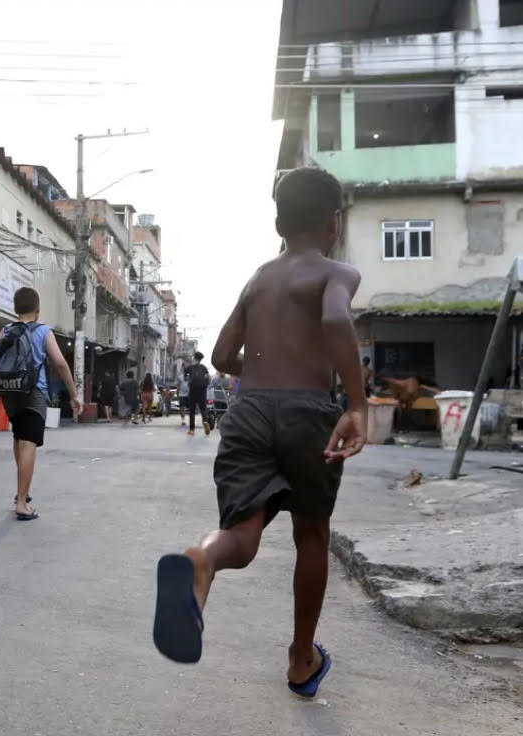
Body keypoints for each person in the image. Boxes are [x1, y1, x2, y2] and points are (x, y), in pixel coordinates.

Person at [150, 167, 367, 700]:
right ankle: (300, 659)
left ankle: (201, 561)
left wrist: (266, 370)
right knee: (311, 533)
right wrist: (358, 403)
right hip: (308, 413)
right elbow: (337, 323)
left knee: (241, 535)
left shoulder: (259, 278)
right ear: (334, 224)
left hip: (248, 412)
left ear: (278, 223)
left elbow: (224, 356)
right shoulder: (336, 272)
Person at [0, 286, 81, 520]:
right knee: (29, 442)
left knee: (19, 438)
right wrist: (73, 395)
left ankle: (23, 492)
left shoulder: (7, 330)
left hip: (9, 393)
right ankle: (21, 501)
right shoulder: (43, 331)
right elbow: (60, 364)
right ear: (38, 310)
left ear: (15, 309)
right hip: (33, 393)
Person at [185, 352, 212, 436]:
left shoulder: (190, 367)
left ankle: (192, 430)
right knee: (203, 408)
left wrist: (187, 378)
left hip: (193, 389)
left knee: (192, 410)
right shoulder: (204, 367)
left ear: (194, 358)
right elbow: (209, 378)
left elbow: (185, 375)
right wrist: (206, 384)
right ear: (200, 360)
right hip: (202, 389)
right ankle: (205, 421)